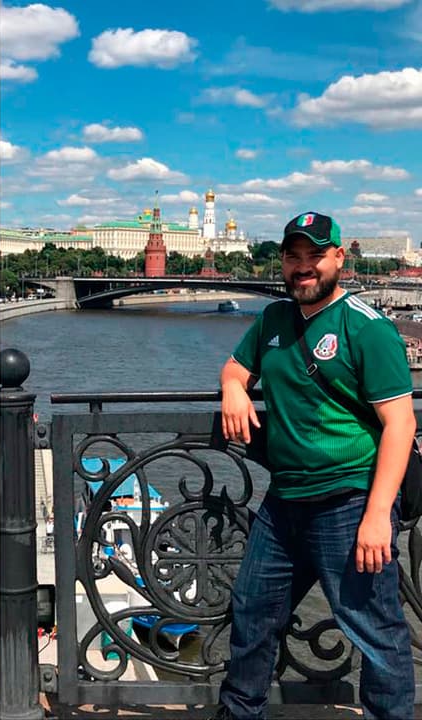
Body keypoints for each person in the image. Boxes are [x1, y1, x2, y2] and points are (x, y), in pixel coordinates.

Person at [214, 212, 415, 720]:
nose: (304, 268)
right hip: (284, 503)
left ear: (338, 259)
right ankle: (240, 713)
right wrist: (234, 388)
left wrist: (376, 516)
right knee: (253, 614)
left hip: (349, 504)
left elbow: (399, 424)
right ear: (281, 261)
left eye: (315, 256)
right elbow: (237, 367)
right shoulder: (273, 321)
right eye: (293, 257)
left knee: (375, 631)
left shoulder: (367, 328)